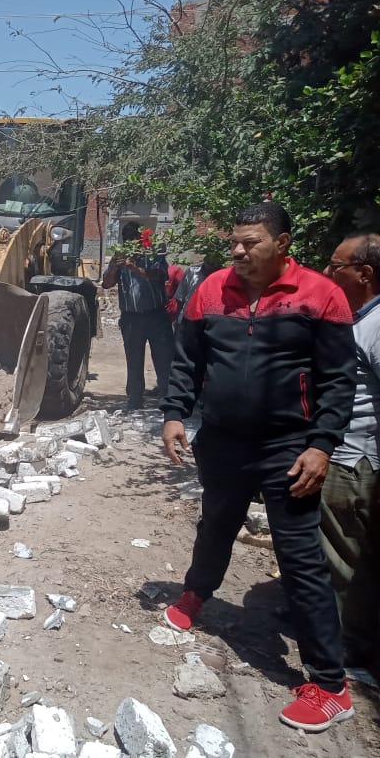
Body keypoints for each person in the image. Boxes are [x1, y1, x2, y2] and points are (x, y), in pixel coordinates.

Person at [161, 201, 357, 732]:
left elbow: (339, 380)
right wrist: (175, 413)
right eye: (234, 242)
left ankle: (330, 685)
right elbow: (187, 359)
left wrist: (321, 445)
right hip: (222, 441)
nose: (238, 252)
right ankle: (197, 592)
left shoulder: (321, 294)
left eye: (251, 243)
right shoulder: (211, 289)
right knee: (215, 523)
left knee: (299, 558)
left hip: (289, 448)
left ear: (283, 244)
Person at [320, 233, 380, 681]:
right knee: (333, 549)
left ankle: (344, 647)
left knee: (346, 557)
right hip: (343, 454)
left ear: (365, 273)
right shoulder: (360, 319)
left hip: (356, 460)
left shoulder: (376, 326)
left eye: (336, 266)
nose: (328, 273)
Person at [101, 222, 174, 409]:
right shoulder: (120, 257)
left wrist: (135, 268)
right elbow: (106, 284)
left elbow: (161, 276)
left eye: (135, 241)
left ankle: (167, 398)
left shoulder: (153, 254)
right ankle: (134, 398)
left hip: (156, 316)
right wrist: (114, 267)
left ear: (141, 240)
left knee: (164, 358)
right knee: (133, 359)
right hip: (131, 318)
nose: (132, 246)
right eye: (128, 242)